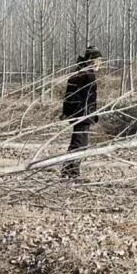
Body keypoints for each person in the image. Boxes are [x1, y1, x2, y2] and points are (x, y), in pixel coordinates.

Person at [60, 45, 102, 179]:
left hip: (81, 114)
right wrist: (88, 114)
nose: (100, 64)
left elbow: (69, 94)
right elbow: (84, 98)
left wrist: (66, 112)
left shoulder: (79, 73)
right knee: (79, 144)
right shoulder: (87, 75)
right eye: (97, 60)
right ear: (90, 60)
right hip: (82, 115)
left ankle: (69, 172)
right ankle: (70, 173)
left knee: (79, 144)